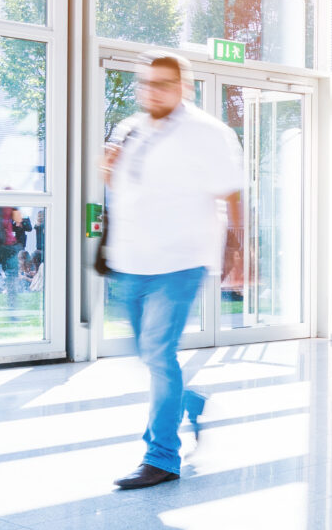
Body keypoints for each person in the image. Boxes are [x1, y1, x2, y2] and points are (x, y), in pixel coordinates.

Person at [102, 50, 244, 488]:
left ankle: (162, 455)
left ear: (184, 86)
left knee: (159, 356)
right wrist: (108, 171)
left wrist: (238, 251)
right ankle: (189, 403)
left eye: (163, 83)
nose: (152, 91)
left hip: (181, 260)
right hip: (131, 260)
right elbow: (124, 185)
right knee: (145, 354)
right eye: (146, 83)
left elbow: (232, 194)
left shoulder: (209, 133)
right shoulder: (130, 128)